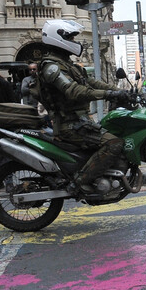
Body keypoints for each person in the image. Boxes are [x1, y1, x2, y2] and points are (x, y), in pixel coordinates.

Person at [33, 20, 131, 192]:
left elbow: (92, 82)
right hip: (69, 125)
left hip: (80, 122)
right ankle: (78, 182)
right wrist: (108, 95)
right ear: (58, 38)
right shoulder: (51, 66)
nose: (74, 42)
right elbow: (73, 90)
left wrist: (120, 91)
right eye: (70, 38)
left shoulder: (67, 64)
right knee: (114, 143)